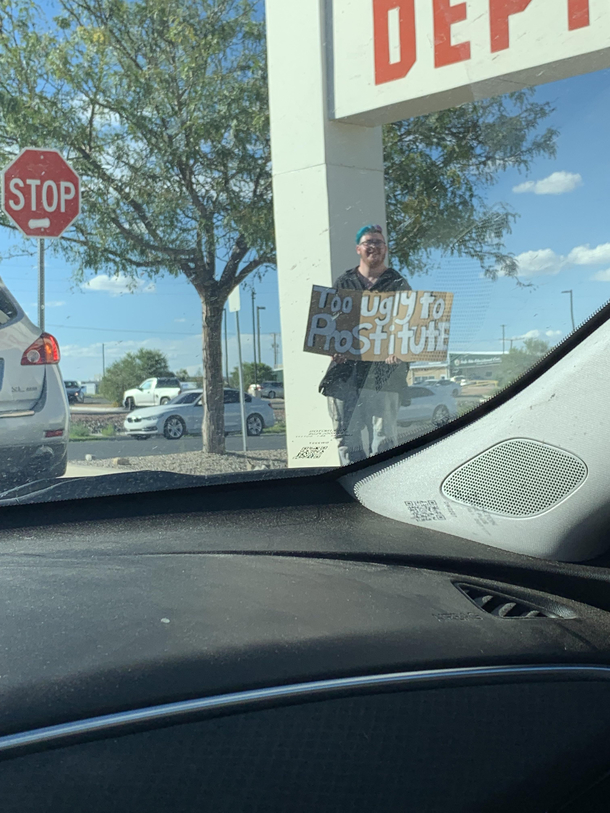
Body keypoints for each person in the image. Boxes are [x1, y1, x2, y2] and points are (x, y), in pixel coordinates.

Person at [319, 224, 411, 465]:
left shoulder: (398, 284)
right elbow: (330, 326)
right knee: (347, 440)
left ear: (386, 249)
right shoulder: (344, 282)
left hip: (385, 376)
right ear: (358, 249)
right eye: (368, 242)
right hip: (346, 375)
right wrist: (332, 349)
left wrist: (399, 350)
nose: (374, 246)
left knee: (384, 440)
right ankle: (350, 490)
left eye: (379, 242)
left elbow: (411, 326)